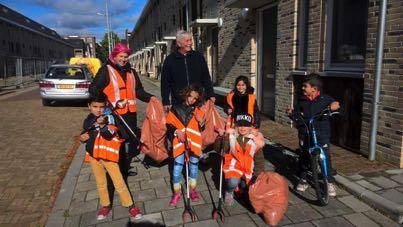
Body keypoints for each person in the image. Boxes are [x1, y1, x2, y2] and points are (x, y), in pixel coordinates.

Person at [89, 43, 155, 201]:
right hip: (113, 116)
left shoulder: (131, 72)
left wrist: (150, 98)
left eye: (126, 57)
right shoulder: (106, 70)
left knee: (127, 144)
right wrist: (107, 104)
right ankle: (114, 171)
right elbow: (93, 89)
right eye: (121, 56)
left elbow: (138, 91)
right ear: (114, 55)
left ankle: (123, 169)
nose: (123, 59)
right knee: (114, 143)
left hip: (129, 115)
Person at [79, 95, 142, 220]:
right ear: (89, 106)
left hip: (108, 157)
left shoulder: (110, 118)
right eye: (95, 107)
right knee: (101, 182)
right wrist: (82, 138)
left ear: (106, 107)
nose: (98, 110)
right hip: (94, 156)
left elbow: (108, 135)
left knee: (119, 182)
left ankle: (130, 205)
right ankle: (106, 205)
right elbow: (86, 130)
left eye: (101, 107)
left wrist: (102, 126)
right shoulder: (89, 119)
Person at [288, 73, 340, 197]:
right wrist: (291, 112)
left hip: (321, 133)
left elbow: (336, 105)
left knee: (325, 156)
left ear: (314, 89)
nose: (302, 88)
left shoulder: (325, 99)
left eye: (305, 86)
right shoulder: (302, 100)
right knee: (304, 156)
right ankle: (303, 179)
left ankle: (329, 181)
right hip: (305, 133)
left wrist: (334, 106)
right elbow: (296, 113)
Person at [165, 85, 205, 207]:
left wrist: (201, 121)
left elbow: (203, 128)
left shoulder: (198, 111)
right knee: (177, 170)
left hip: (194, 144)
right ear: (186, 94)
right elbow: (169, 126)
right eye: (190, 96)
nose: (192, 99)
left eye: (195, 98)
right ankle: (177, 193)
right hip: (179, 143)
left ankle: (192, 190)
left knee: (193, 168)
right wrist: (177, 132)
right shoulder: (175, 109)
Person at [161, 30, 215, 112]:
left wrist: (211, 94)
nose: (190, 43)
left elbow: (206, 78)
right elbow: (165, 83)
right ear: (179, 44)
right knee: (180, 125)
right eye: (187, 41)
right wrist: (165, 101)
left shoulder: (199, 57)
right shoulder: (170, 60)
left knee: (199, 124)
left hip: (198, 102)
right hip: (178, 103)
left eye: (191, 40)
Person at [222, 113, 261, 206]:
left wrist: (257, 174)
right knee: (233, 182)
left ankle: (241, 188)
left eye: (246, 125)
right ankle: (229, 191)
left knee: (247, 189)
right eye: (240, 125)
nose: (243, 128)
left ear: (250, 127)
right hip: (234, 167)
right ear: (236, 126)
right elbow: (220, 149)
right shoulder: (231, 136)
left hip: (248, 170)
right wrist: (221, 138)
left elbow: (260, 160)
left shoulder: (256, 140)